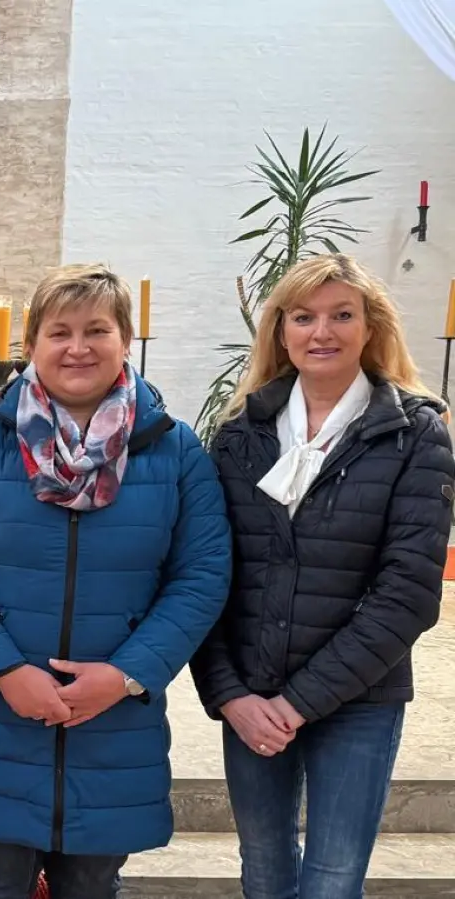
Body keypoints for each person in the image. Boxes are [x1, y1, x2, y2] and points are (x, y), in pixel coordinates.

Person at [0, 264, 232, 898]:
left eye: (97, 330)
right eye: (59, 332)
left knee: (92, 886)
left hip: (112, 723)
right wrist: (6, 671)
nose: (77, 347)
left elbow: (201, 575)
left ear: (125, 343)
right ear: (29, 346)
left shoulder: (174, 451)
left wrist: (125, 674)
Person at [189, 253, 453, 899]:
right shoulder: (240, 434)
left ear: (370, 327)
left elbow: (409, 592)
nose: (322, 331)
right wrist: (229, 694)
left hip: (358, 696)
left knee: (333, 882)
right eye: (303, 316)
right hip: (251, 696)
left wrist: (298, 701)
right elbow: (204, 571)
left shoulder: (416, 433)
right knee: (264, 871)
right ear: (281, 330)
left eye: (342, 315)